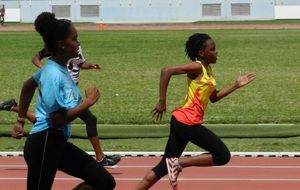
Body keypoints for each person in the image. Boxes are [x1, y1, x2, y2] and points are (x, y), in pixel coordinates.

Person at [135, 33, 256, 190]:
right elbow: (166, 71)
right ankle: (179, 162)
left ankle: (171, 164)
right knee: (223, 155)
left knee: (162, 167)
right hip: (187, 122)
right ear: (201, 53)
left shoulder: (208, 70)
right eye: (213, 49)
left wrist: (235, 85)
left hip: (181, 121)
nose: (217, 52)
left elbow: (213, 97)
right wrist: (162, 100)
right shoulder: (197, 66)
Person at [10, 12, 116, 189]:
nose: (78, 43)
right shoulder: (52, 74)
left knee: (105, 182)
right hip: (44, 143)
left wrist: (20, 121)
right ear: (61, 44)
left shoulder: (57, 68)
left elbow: (28, 86)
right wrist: (88, 103)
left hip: (56, 144)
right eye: (74, 39)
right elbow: (57, 120)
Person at [0, 39, 121, 167]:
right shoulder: (57, 49)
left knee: (51, 120)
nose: (77, 42)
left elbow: (78, 64)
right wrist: (45, 70)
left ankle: (13, 107)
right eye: (73, 37)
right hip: (62, 91)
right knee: (81, 120)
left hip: (71, 92)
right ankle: (100, 158)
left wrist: (89, 66)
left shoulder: (75, 48)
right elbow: (35, 59)